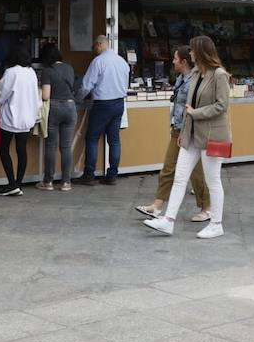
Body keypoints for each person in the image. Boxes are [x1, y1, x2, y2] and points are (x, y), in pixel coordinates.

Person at [143, 36, 230, 239]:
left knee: (213, 180)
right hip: (191, 136)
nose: (189, 53)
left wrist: (196, 113)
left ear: (200, 51)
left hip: (212, 136)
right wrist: (183, 132)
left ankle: (216, 223)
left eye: (192, 50)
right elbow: (188, 106)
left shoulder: (219, 75)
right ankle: (168, 220)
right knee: (180, 177)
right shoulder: (196, 74)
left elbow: (222, 106)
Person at [135, 46, 210, 222]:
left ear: (184, 61)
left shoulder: (195, 80)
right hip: (178, 129)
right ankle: (157, 206)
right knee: (169, 168)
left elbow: (195, 107)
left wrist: (186, 130)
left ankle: (207, 207)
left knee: (196, 173)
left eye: (176, 59)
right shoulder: (180, 79)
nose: (173, 61)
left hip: (190, 132)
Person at [76, 35, 129, 185]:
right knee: (114, 140)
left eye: (94, 48)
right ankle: (112, 175)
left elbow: (87, 85)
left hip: (102, 105)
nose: (94, 51)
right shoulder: (122, 61)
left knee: (92, 138)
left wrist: (77, 99)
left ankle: (89, 174)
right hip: (119, 103)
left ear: (99, 45)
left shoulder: (98, 61)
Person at [0, 45, 40, 197]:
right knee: (22, 151)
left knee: (4, 149)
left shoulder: (11, 72)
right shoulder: (31, 72)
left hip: (9, 117)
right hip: (27, 118)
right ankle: (18, 183)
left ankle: (11, 183)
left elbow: (1, 94)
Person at [35, 44, 77, 192]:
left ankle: (48, 182)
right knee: (66, 146)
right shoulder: (69, 68)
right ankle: (66, 182)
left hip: (54, 108)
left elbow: (46, 95)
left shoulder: (48, 71)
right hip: (70, 107)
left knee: (51, 146)